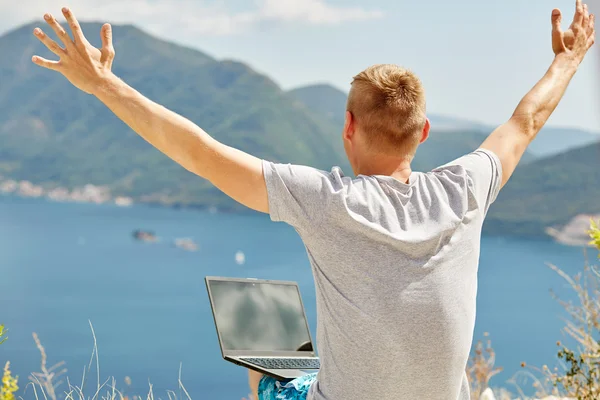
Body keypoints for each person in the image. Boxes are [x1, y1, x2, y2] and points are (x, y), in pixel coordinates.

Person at [31, 1, 595, 399]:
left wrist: (106, 85)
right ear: (423, 134)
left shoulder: (325, 201)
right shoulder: (466, 189)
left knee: (261, 321)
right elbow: (525, 121)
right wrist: (568, 59)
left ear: (347, 126)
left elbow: (200, 151)